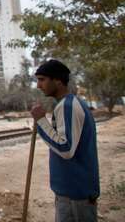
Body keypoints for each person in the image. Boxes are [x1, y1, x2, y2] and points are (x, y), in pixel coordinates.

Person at [30, 59, 99, 222]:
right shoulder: (65, 105)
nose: (39, 85)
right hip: (70, 190)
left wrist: (41, 121)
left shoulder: (68, 106)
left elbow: (65, 148)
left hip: (76, 192)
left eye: (42, 79)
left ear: (58, 81)